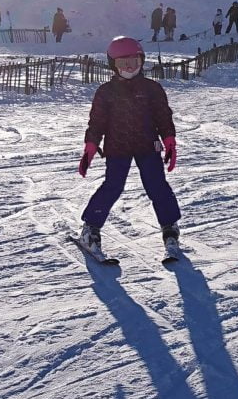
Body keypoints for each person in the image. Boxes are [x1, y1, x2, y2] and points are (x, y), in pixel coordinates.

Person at [76, 36, 181, 260]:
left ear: (142, 61)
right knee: (113, 187)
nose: (130, 67)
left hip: (148, 145)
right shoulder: (106, 92)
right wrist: (91, 146)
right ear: (113, 65)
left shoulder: (152, 89)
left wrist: (169, 140)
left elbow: (163, 117)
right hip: (118, 146)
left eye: (134, 61)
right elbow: (97, 122)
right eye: (123, 63)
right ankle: (90, 228)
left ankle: (170, 229)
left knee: (157, 187)